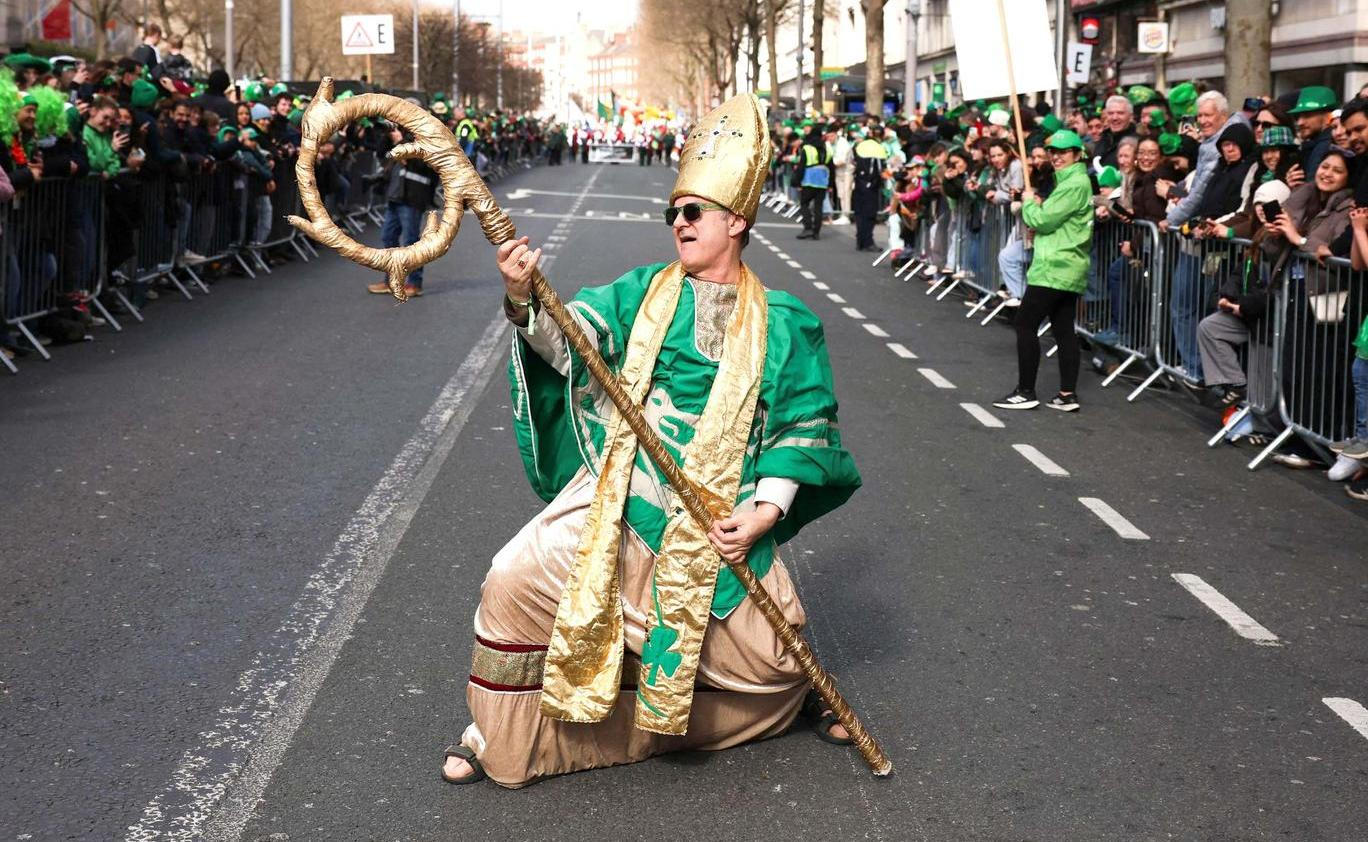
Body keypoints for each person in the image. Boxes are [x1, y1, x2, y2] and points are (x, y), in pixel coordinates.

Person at [440, 93, 861, 788]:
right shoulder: (642, 291)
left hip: (719, 518)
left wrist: (764, 511)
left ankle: (780, 701)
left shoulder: (787, 321)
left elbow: (802, 423)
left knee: (776, 669)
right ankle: (500, 734)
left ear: (737, 223)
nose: (679, 223)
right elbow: (569, 344)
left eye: (695, 212)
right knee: (512, 578)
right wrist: (524, 297)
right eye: (674, 212)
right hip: (624, 493)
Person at [993, 129, 1094, 412]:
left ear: (1077, 154)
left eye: (1063, 152)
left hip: (1056, 265)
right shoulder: (1069, 182)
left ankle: (1026, 391)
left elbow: (1044, 221)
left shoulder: (1075, 183)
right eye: (1053, 152)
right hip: (1064, 264)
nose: (1056, 157)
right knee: (1063, 329)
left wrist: (1028, 203)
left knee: (1025, 323)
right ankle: (1066, 394)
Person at [366, 124, 437, 297]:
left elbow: (423, 165)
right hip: (396, 196)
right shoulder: (401, 137)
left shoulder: (428, 138)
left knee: (411, 241)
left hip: (413, 198)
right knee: (388, 236)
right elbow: (382, 154)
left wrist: (401, 142)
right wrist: (387, 137)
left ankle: (414, 282)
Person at [850, 129, 886, 251]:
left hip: (859, 183)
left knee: (860, 213)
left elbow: (853, 163)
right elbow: (881, 170)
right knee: (870, 214)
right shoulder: (878, 152)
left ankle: (860, 240)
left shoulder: (858, 149)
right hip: (872, 186)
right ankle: (868, 241)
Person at [1289, 86, 1336, 176]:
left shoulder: (1326, 146)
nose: (1300, 122)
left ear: (1328, 117)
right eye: (1298, 117)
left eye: (1307, 115)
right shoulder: (1314, 145)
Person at [795, 124, 830, 240]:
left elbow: (801, 166)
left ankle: (808, 227)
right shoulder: (827, 149)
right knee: (818, 207)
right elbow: (832, 168)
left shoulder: (807, 148)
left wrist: (796, 181)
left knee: (804, 204)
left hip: (809, 180)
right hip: (823, 181)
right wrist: (831, 184)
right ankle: (816, 232)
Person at [1095, 95, 1139, 169]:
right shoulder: (1103, 138)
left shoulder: (1137, 142)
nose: (1114, 118)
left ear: (1131, 116)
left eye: (1120, 113)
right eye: (1110, 113)